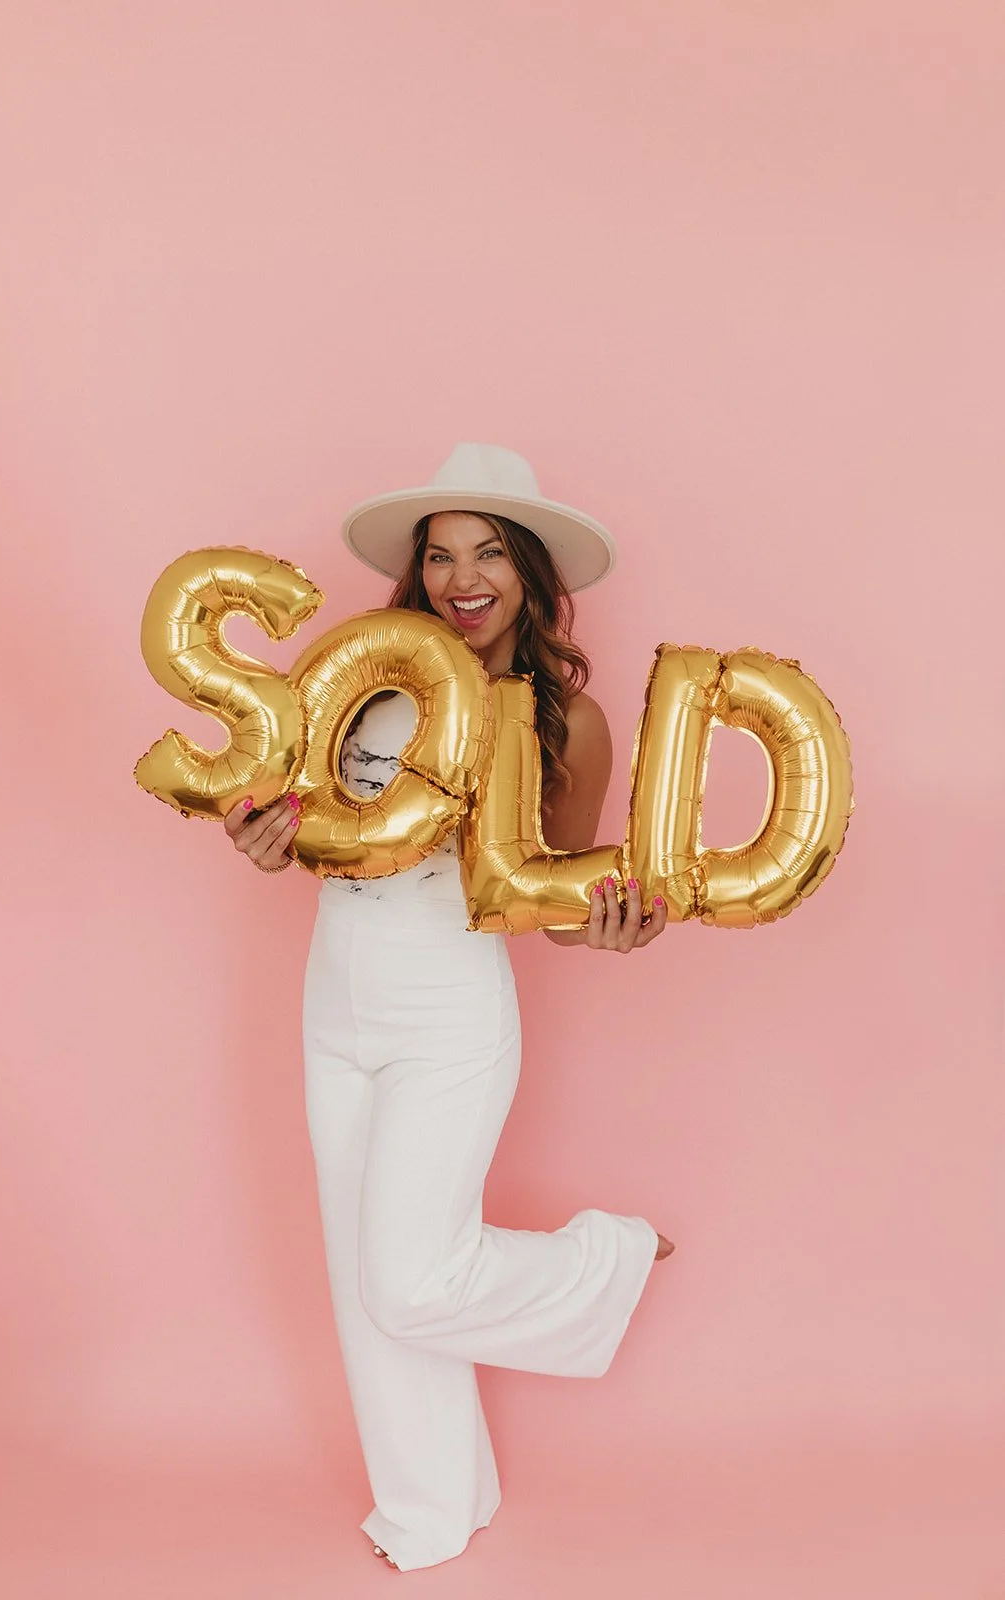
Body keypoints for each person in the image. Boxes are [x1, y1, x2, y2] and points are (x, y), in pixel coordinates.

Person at [223, 443, 675, 1573]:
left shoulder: (566, 720)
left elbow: (558, 892)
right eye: (439, 556)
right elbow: (304, 832)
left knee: (408, 1277)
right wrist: (260, 842)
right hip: (333, 998)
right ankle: (433, 1508)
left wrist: (615, 926)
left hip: (449, 1015)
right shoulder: (360, 684)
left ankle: (606, 1259)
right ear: (416, 574)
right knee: (360, 1279)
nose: (460, 578)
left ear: (526, 573)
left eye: (487, 554)